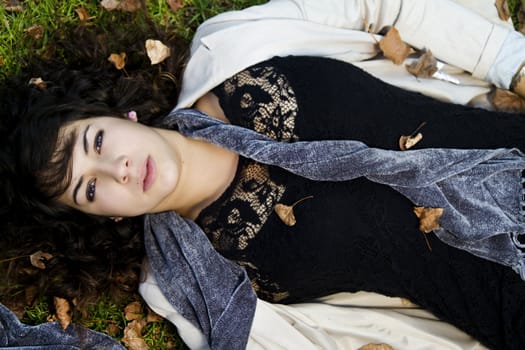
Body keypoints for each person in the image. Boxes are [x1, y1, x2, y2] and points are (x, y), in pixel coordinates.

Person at [1, 0, 525, 349]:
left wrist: (510, 62)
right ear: (100, 217)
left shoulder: (230, 47)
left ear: (117, 114)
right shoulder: (184, 279)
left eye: (96, 142)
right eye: (89, 189)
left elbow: (380, 5)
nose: (117, 170)